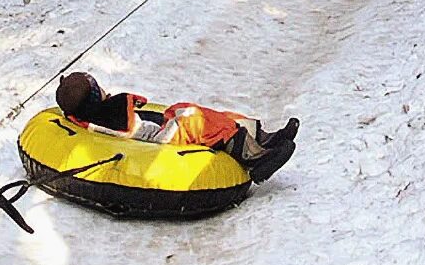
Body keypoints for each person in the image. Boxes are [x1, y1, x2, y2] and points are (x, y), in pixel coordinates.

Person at [55, 72, 299, 183]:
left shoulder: (94, 114)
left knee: (211, 115)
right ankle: (253, 157)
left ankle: (262, 138)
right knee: (193, 116)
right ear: (96, 98)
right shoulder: (107, 114)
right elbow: (130, 125)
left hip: (157, 132)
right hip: (160, 143)